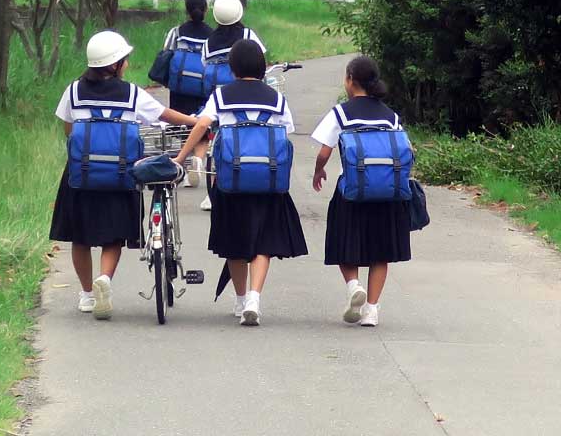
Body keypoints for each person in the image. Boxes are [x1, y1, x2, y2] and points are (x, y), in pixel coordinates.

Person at [50, 30, 197, 320]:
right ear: (115, 64)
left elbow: (69, 131)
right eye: (124, 59)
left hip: (81, 173)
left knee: (80, 237)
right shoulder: (132, 94)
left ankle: (86, 295)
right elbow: (164, 115)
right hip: (120, 174)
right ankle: (104, 278)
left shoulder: (73, 91)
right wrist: (196, 122)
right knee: (112, 236)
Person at [174, 39, 307, 326]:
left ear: (232, 67)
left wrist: (181, 157)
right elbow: (286, 134)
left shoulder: (222, 96)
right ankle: (254, 298)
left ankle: (238, 300)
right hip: (268, 181)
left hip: (230, 181)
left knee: (235, 242)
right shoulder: (277, 99)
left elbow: (201, 125)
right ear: (262, 67)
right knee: (263, 242)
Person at [311, 56, 411, 327]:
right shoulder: (391, 116)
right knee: (381, 252)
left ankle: (354, 285)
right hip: (387, 193)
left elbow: (324, 151)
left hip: (352, 191)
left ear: (350, 80)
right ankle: (372, 310)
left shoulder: (341, 113)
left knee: (344, 243)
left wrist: (318, 171)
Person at [198, 0, 268, 211]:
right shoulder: (248, 34)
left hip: (220, 98)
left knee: (217, 144)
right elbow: (261, 59)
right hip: (250, 95)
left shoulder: (208, 42)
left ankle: (212, 193)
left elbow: (204, 66)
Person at [161, 0, 214, 189]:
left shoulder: (177, 32)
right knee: (202, 125)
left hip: (180, 88)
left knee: (183, 123)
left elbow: (166, 54)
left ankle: (183, 164)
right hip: (202, 88)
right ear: (206, 10)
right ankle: (198, 159)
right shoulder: (212, 35)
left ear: (187, 10)